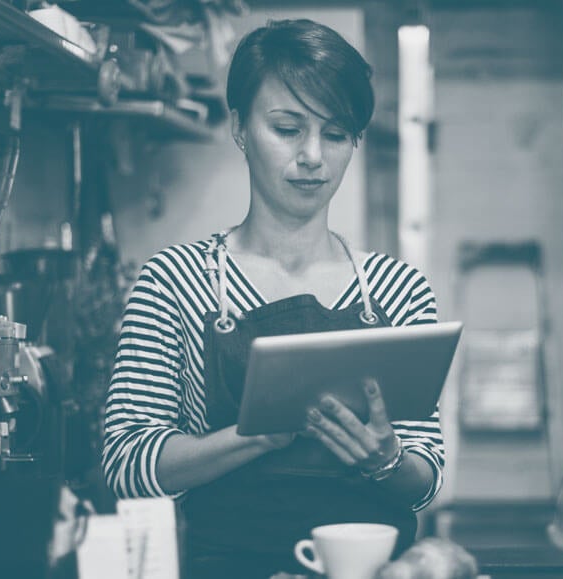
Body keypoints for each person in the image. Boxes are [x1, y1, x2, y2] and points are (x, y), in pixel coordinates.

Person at [102, 19, 445, 578]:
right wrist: (253, 436)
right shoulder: (175, 280)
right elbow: (129, 464)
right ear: (240, 127)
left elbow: (426, 477)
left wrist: (387, 460)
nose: (313, 156)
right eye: (288, 128)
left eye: (336, 135)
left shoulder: (397, 289)